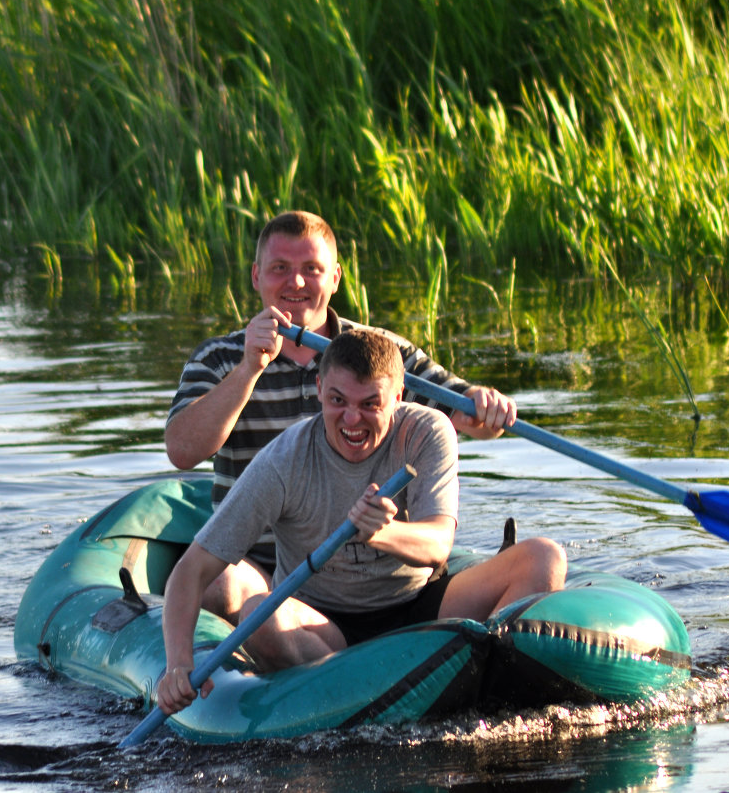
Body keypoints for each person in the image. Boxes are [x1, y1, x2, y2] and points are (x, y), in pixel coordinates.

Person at [156, 329, 566, 716]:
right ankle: (370, 689)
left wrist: (385, 533)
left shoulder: (428, 430)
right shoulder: (283, 460)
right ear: (319, 391)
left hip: (420, 605)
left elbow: (439, 543)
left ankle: (492, 690)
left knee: (544, 559)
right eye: (337, 401)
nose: (352, 419)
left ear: (399, 396)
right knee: (257, 615)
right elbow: (190, 571)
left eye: (370, 404)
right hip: (324, 622)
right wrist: (177, 665)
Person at [165, 210, 516, 621]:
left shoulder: (380, 351)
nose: (295, 282)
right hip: (262, 565)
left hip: (383, 563)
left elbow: (467, 416)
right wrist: (249, 369)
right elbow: (182, 451)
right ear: (257, 276)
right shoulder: (219, 358)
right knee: (224, 588)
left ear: (335, 278)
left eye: (311, 269)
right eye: (281, 268)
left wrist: (483, 403)